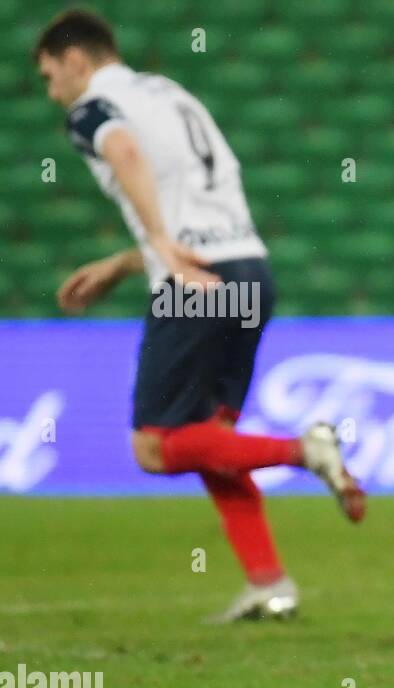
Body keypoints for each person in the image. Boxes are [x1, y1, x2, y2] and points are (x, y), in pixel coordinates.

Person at [35, 9, 365, 621]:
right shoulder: (170, 94)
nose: (52, 91)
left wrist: (159, 243)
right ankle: (269, 583)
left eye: (51, 75)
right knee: (208, 438)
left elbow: (125, 153)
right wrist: (124, 261)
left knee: (154, 448)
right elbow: (198, 200)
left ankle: (305, 450)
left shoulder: (93, 110)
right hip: (250, 275)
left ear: (76, 62)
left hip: (196, 282)